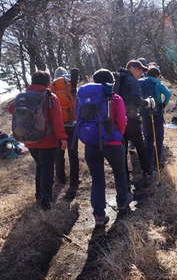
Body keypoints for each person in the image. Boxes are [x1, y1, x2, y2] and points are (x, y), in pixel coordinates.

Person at [76, 69, 132, 226]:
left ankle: (99, 215)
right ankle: (122, 203)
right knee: (120, 172)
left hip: (91, 143)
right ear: (110, 82)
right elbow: (121, 122)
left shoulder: (83, 98)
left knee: (97, 179)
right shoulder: (115, 98)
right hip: (112, 143)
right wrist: (117, 135)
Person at [8, 71, 68, 210]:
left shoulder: (22, 97)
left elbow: (11, 109)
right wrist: (63, 138)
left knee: (40, 166)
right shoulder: (50, 97)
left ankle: (38, 195)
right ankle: (46, 201)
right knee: (47, 169)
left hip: (29, 139)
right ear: (47, 82)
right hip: (48, 140)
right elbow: (57, 120)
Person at [116, 60, 154, 185]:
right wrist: (147, 102)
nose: (141, 72)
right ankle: (148, 171)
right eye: (139, 69)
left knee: (123, 149)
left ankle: (124, 179)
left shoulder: (118, 78)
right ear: (131, 68)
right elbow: (136, 100)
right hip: (131, 119)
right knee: (140, 146)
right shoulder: (132, 81)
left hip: (118, 120)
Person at [51, 67, 80, 199]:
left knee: (58, 154)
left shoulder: (52, 88)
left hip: (57, 128)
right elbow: (78, 103)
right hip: (72, 126)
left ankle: (61, 179)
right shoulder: (71, 86)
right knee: (73, 154)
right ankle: (74, 182)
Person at [140, 67, 171, 172]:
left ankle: (149, 164)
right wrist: (163, 104)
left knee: (148, 138)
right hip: (157, 113)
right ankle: (157, 163)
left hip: (144, 112)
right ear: (158, 75)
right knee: (158, 138)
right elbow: (168, 94)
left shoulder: (139, 82)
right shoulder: (158, 83)